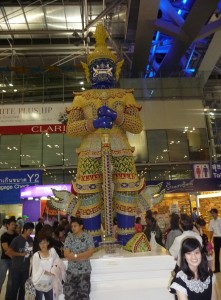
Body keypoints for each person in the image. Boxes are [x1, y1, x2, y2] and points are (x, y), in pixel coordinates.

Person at [58, 23, 144, 246]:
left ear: (116, 69)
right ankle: (92, 238)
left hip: (121, 148)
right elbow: (71, 129)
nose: (102, 68)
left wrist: (117, 117)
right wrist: (93, 123)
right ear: (89, 70)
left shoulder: (125, 95)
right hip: (89, 151)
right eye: (97, 65)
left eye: (107, 64)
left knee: (127, 187)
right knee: (88, 191)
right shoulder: (82, 99)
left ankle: (126, 235)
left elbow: (136, 126)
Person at [63, 217, 95, 300]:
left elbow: (90, 252)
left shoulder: (88, 237)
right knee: (69, 296)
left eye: (75, 226)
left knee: (84, 296)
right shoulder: (69, 238)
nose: (73, 228)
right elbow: (66, 253)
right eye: (72, 226)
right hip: (71, 272)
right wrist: (82, 256)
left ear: (81, 226)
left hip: (84, 272)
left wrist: (74, 256)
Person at [32, 233, 66, 300]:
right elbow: (37, 269)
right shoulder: (36, 255)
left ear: (48, 243)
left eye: (44, 243)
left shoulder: (52, 251)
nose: (42, 245)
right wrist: (50, 273)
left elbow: (58, 261)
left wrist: (57, 271)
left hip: (50, 283)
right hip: (39, 283)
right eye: (40, 243)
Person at [6, 222, 34, 300]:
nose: (31, 232)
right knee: (14, 289)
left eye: (32, 230)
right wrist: (20, 254)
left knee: (23, 289)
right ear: (25, 230)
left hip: (26, 269)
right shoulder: (17, 239)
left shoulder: (30, 239)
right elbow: (8, 252)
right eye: (30, 230)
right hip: (16, 269)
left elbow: (31, 251)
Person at [0, 218, 18, 299]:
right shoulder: (4, 236)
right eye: (12, 224)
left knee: (11, 281)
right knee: (1, 278)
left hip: (13, 260)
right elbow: (6, 249)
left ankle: (8, 298)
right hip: (5, 259)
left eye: (15, 224)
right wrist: (14, 256)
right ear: (7, 225)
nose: (14, 226)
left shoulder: (17, 236)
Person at [209, 208, 221, 273]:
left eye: (213, 213)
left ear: (217, 213)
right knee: (216, 255)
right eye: (211, 213)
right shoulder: (211, 222)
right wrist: (210, 240)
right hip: (216, 239)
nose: (212, 214)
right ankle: (217, 269)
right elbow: (211, 231)